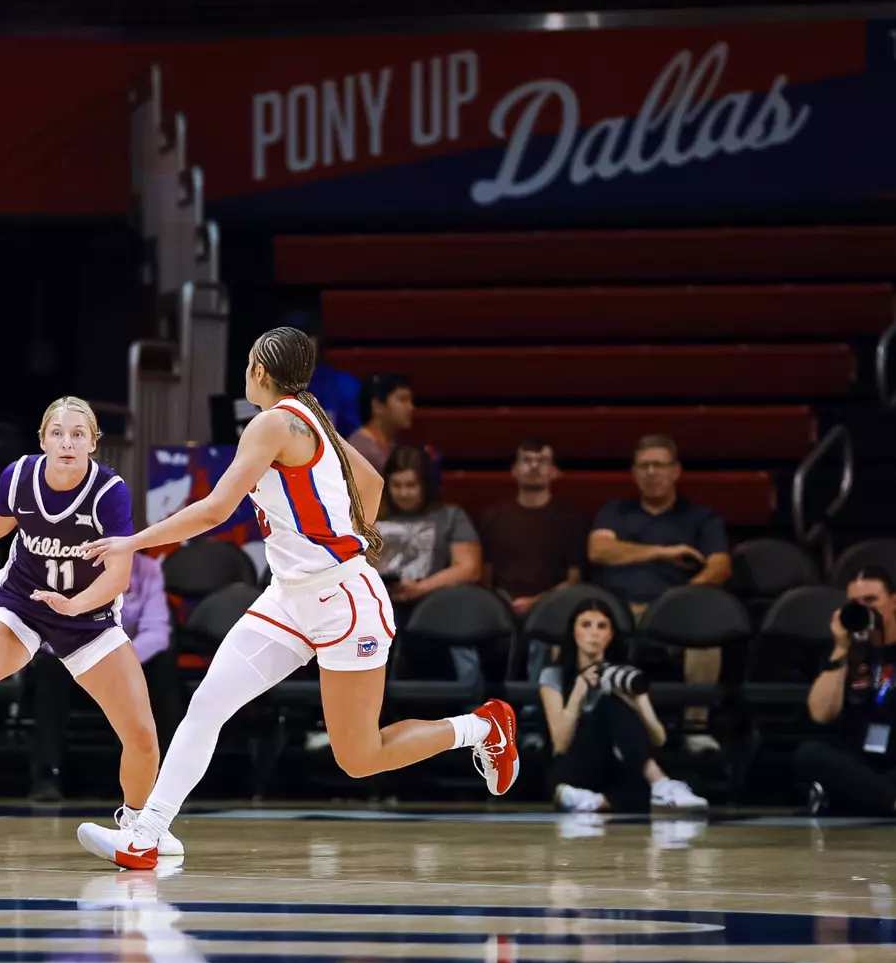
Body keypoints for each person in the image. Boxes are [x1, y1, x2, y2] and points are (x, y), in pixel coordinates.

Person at [76, 326, 518, 871]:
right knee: (208, 705)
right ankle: (149, 832)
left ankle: (483, 727)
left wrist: (133, 541)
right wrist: (339, 530)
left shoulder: (271, 422)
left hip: (345, 604)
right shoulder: (316, 419)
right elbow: (374, 486)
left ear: (259, 372)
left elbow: (216, 510)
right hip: (288, 598)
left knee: (359, 757)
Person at [0, 396, 172, 854]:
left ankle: (140, 828)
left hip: (89, 619)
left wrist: (74, 606)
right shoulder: (18, 476)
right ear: (42, 440)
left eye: (78, 434)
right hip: (20, 602)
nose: (67, 442)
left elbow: (119, 575)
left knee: (140, 733)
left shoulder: (109, 492)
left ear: (93, 444)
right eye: (57, 432)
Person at [28, 549, 181, 802]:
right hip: (73, 652)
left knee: (164, 666)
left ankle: (164, 779)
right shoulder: (69, 566)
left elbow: (157, 631)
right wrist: (83, 655)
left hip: (127, 654)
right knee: (48, 669)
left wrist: (119, 662)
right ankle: (47, 776)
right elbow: (49, 626)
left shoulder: (148, 570)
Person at [539, 599, 707, 813]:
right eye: (585, 625)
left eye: (602, 626)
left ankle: (596, 802)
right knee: (561, 782)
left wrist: (638, 702)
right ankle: (660, 784)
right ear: (573, 632)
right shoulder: (554, 675)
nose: (594, 633)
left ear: (610, 635)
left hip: (615, 763)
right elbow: (561, 744)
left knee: (691, 781)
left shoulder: (623, 675)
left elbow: (659, 738)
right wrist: (577, 694)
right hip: (576, 763)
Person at [589, 434, 731, 685]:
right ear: (634, 473)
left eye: (659, 465)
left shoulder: (702, 517)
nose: (651, 472)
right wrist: (665, 552)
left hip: (675, 610)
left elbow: (720, 567)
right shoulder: (615, 512)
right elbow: (598, 550)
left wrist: (679, 601)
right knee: (575, 629)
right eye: (644, 466)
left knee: (708, 637)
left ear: (676, 471)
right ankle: (582, 716)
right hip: (616, 610)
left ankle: (695, 722)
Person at [374, 444, 484, 687]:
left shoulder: (450, 516)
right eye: (397, 485)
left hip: (437, 608)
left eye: (411, 485)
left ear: (426, 485)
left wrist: (420, 588)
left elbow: (469, 567)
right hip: (379, 607)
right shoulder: (372, 517)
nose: (404, 493)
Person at [477, 438, 588, 678]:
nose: (534, 466)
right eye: (527, 460)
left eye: (542, 461)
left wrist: (538, 602)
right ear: (514, 471)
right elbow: (485, 576)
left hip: (552, 608)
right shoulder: (493, 517)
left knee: (549, 627)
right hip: (501, 607)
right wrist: (502, 604)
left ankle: (537, 704)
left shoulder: (572, 518)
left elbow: (574, 579)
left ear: (555, 472)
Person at [795, 567, 896, 815]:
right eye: (855, 603)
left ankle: (870, 798)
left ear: (893, 602)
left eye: (871, 600)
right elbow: (821, 714)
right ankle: (889, 800)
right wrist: (841, 651)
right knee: (809, 754)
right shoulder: (841, 652)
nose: (864, 608)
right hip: (858, 758)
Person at [345, 372, 413, 474]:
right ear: (377, 406)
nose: (410, 407)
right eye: (402, 400)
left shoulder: (390, 444)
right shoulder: (360, 449)